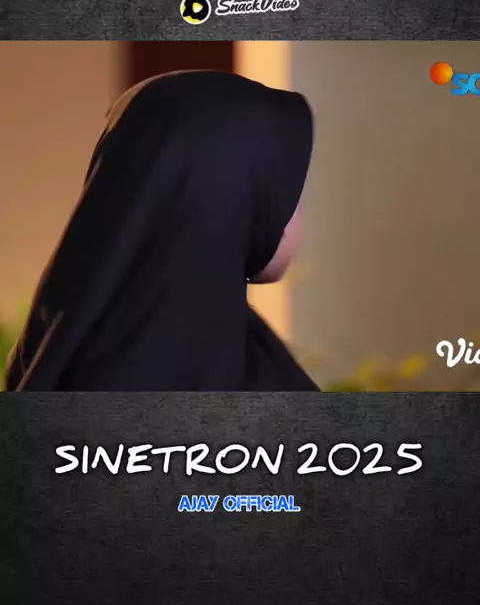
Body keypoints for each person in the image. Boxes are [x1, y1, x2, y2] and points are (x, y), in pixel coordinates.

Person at [6, 71, 319, 392]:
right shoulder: (227, 381)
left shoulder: (50, 354)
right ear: (231, 197)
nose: (300, 215)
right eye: (292, 193)